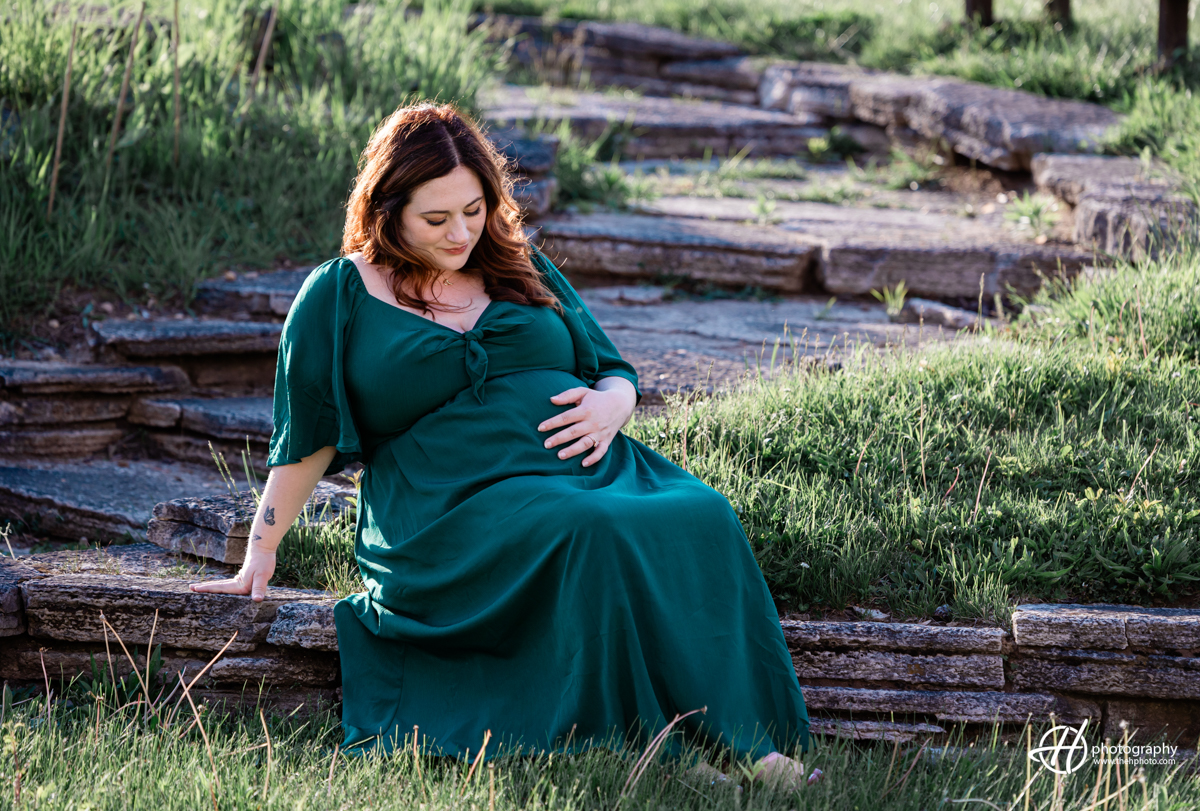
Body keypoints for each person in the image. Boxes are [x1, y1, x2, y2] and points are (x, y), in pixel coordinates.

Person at [190, 102, 817, 790]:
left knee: (701, 513)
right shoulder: (339, 295)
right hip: (447, 510)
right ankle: (662, 751)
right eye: (436, 219)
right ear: (386, 210)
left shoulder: (521, 265)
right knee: (589, 533)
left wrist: (612, 404)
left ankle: (752, 743)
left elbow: (611, 368)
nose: (460, 232)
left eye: (474, 209)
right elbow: (303, 436)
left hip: (595, 471)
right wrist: (262, 548)